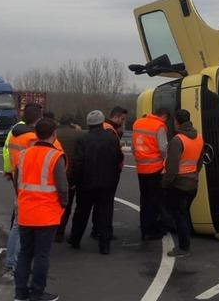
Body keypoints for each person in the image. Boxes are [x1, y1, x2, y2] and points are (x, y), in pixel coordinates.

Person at [13, 118, 67, 301]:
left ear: (36, 134)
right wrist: (64, 203)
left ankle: (20, 293)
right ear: (54, 135)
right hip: (46, 215)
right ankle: (37, 292)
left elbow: (16, 180)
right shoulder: (55, 156)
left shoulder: (23, 155)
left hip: (25, 213)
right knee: (42, 255)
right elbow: (62, 187)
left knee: (25, 253)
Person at [68, 110, 123, 254]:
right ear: (102, 122)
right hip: (107, 183)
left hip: (86, 183)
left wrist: (74, 180)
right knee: (105, 214)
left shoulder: (83, 139)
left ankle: (75, 239)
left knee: (81, 212)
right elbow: (118, 158)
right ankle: (104, 245)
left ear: (89, 124)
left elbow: (78, 163)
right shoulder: (112, 138)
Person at [2, 103, 43, 276]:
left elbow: (8, 154)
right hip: (28, 184)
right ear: (37, 118)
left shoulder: (14, 135)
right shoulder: (31, 138)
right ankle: (16, 264)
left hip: (17, 180)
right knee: (21, 225)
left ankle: (11, 261)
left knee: (18, 225)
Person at [162, 109, 204, 257]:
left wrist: (165, 183)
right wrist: (193, 175)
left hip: (179, 184)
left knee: (179, 215)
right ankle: (187, 239)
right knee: (184, 214)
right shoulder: (199, 137)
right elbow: (199, 162)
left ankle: (184, 248)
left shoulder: (177, 140)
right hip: (193, 183)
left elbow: (172, 168)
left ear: (177, 122)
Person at [132, 108, 170, 240]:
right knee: (154, 201)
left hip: (141, 168)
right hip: (155, 168)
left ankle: (144, 228)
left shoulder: (138, 123)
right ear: (163, 115)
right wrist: (167, 160)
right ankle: (152, 230)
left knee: (144, 199)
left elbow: (133, 146)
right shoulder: (159, 126)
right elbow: (163, 148)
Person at [54, 115, 83, 243]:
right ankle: (61, 229)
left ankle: (53, 228)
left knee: (53, 203)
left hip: (53, 173)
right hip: (70, 173)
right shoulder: (78, 134)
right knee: (67, 203)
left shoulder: (54, 133)